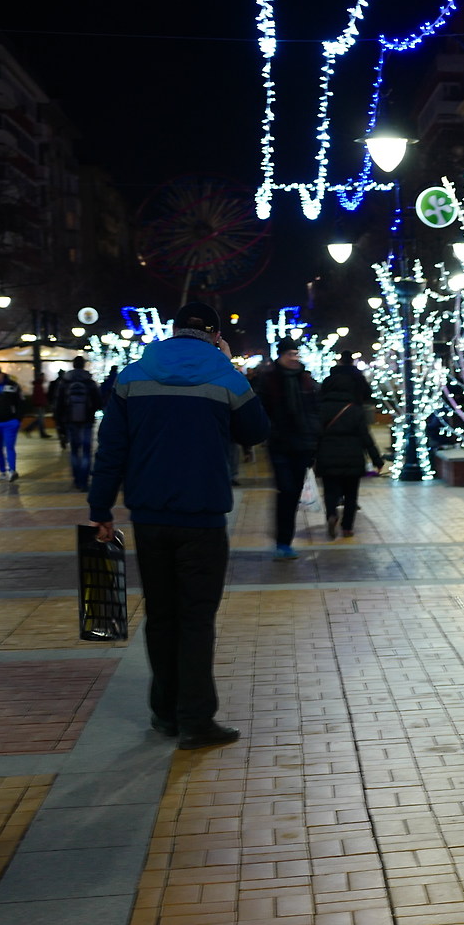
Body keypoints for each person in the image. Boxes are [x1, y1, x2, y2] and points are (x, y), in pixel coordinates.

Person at [86, 306, 269, 749]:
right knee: (196, 618)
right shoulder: (225, 375)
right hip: (203, 517)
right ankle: (196, 720)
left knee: (162, 615)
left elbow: (111, 447)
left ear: (172, 330)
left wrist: (101, 508)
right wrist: (227, 365)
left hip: (150, 518)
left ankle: (165, 713)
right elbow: (256, 431)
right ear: (216, 335)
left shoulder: (133, 375)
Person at [253, 339, 322, 559]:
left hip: (303, 445)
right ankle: (282, 542)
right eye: (289, 354)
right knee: (286, 490)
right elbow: (260, 409)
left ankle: (285, 540)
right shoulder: (269, 380)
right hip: (280, 445)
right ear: (281, 356)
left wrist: (314, 438)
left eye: (296, 354)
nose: (294, 358)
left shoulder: (307, 380)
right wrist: (270, 432)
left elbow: (315, 410)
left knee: (293, 494)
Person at [314, 360, 382, 540]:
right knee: (351, 494)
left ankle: (332, 514)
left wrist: (309, 457)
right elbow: (365, 436)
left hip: (327, 456)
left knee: (330, 491)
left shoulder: (321, 409)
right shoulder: (355, 409)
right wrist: (376, 459)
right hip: (353, 457)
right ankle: (347, 527)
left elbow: (315, 435)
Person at [52, 356, 102, 488]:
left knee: (74, 450)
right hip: (87, 420)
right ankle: (84, 481)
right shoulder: (90, 382)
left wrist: (59, 421)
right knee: (86, 451)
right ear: (84, 365)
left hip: (70, 420)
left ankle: (76, 479)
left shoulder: (65, 382)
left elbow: (58, 403)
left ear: (73, 365)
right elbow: (98, 402)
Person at [0, 366, 27, 481]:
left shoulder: (13, 385)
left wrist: (18, 419)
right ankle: (2, 471)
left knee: (9, 446)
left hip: (10, 422)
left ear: (2, 374)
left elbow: (20, 403)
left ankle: (12, 470)